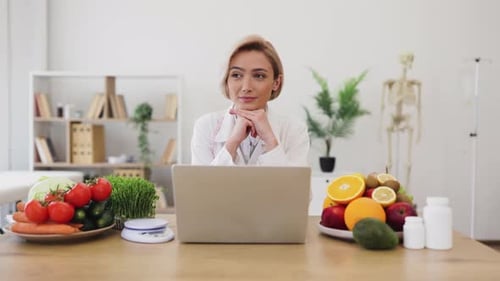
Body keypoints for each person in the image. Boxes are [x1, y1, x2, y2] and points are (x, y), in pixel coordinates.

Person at [191, 35, 310, 166]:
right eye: (236, 75)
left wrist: (270, 140)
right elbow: (203, 185)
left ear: (276, 82)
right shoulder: (206, 126)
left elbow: (293, 186)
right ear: (226, 80)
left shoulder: (294, 130)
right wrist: (233, 142)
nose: (246, 87)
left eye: (259, 76)